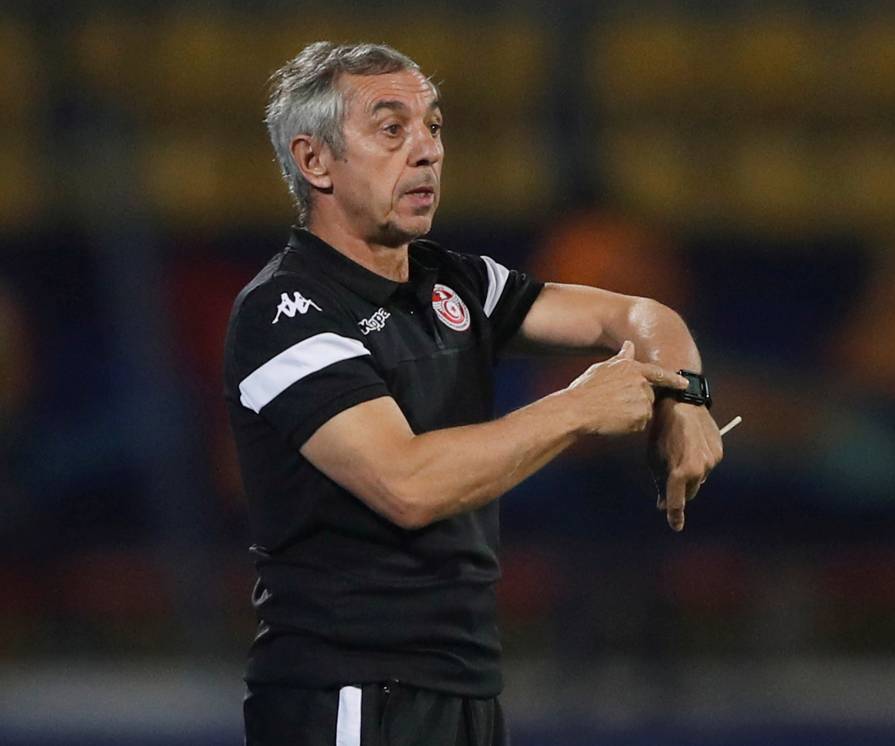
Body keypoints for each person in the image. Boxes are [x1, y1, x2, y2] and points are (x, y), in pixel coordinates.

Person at [224, 42, 723, 746]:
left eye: (433, 126)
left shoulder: (453, 281)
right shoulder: (287, 310)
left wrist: (687, 396)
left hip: (464, 686)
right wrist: (578, 407)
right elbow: (406, 483)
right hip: (351, 692)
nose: (427, 150)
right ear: (315, 162)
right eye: (392, 129)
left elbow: (640, 316)